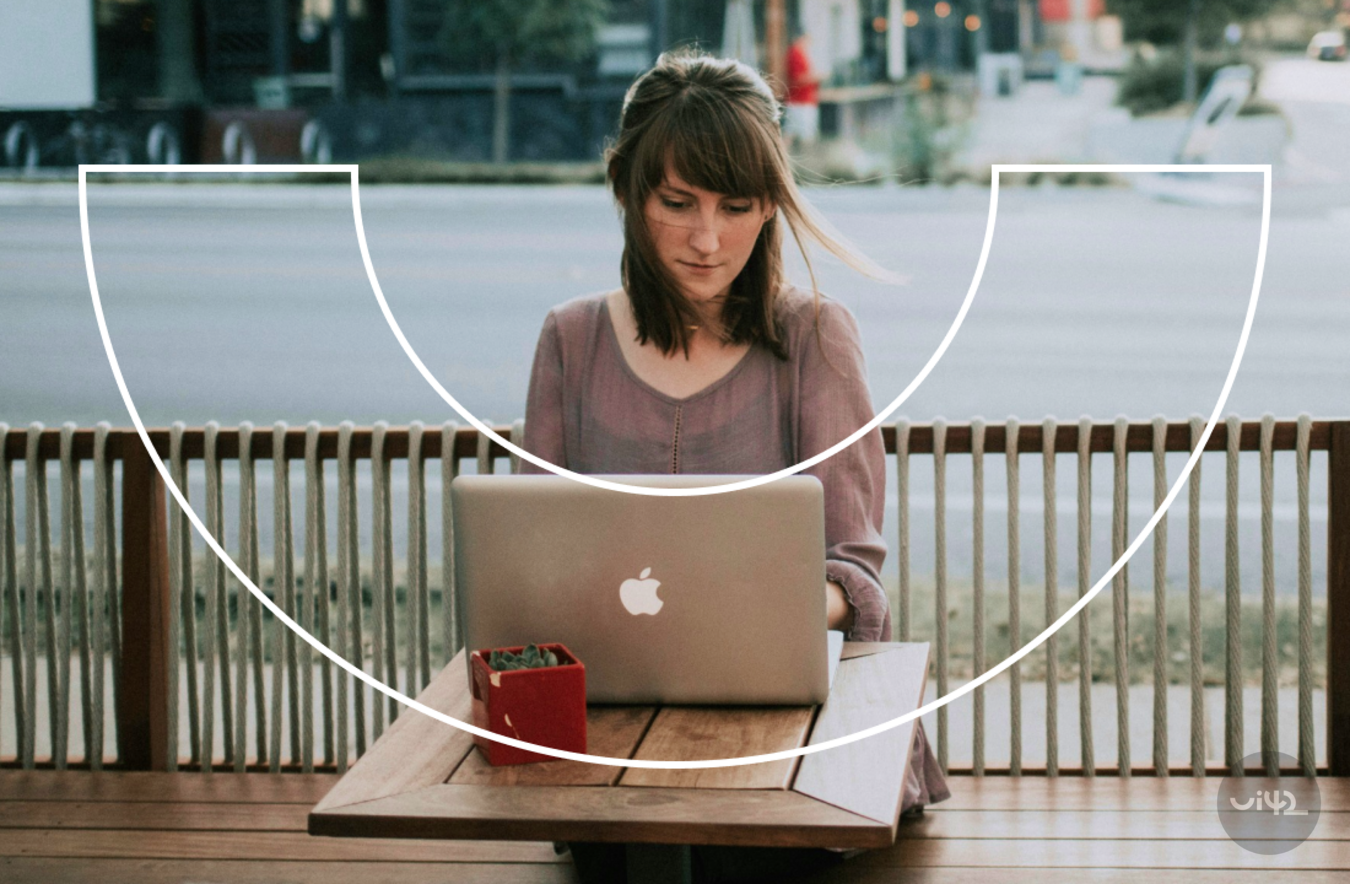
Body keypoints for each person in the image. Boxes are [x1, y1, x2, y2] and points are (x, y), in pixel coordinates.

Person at [521, 50, 949, 883]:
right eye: (676, 203)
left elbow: (854, 575)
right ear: (626, 190)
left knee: (720, 853)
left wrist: (742, 607)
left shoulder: (814, 337)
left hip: (793, 733)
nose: (707, 240)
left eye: (737, 205)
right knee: (640, 840)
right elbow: (535, 555)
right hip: (614, 727)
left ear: (770, 208)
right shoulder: (570, 340)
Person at [783, 30, 821, 149]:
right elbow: (797, 78)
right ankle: (807, 158)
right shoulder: (795, 54)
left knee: (791, 131)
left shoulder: (800, 53)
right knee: (802, 133)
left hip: (803, 99)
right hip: (799, 101)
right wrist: (816, 77)